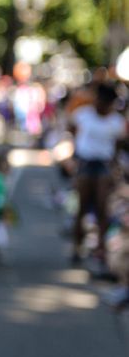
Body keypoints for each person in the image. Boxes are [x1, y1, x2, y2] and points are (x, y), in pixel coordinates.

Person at [69, 82, 127, 273]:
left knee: (103, 208)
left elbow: (119, 143)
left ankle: (101, 249)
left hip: (103, 165)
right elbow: (72, 127)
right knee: (82, 207)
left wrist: (115, 165)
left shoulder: (116, 121)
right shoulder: (84, 114)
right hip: (86, 163)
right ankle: (78, 246)